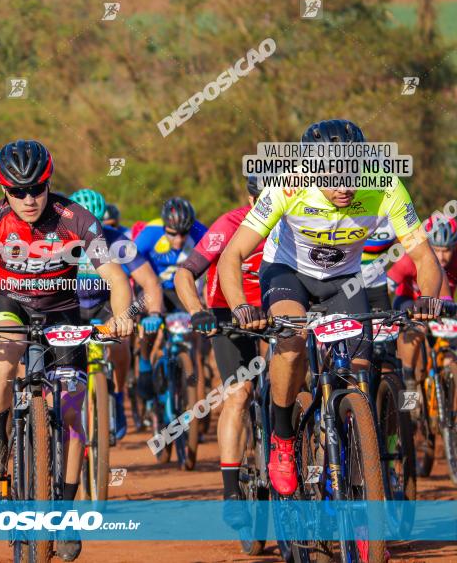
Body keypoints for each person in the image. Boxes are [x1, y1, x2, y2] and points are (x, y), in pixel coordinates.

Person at [0, 140, 134, 562]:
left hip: (63, 311)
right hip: (8, 303)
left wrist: (123, 315)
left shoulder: (75, 217)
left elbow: (114, 274)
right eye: (17, 191)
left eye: (36, 188)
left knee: (73, 408)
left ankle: (68, 511)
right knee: (8, 346)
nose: (28, 199)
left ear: (49, 182)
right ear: (3, 189)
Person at [218, 119, 445, 496]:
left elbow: (423, 256)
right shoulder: (287, 185)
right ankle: (283, 436)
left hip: (345, 280)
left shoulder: (385, 183)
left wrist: (427, 297)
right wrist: (242, 306)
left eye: (351, 173)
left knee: (358, 376)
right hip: (288, 272)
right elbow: (233, 255)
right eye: (332, 176)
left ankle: (359, 487)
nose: (343, 186)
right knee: (291, 343)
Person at [174, 177, 265, 521]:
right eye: (260, 199)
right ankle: (231, 491)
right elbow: (185, 273)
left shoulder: (296, 222)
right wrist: (198, 311)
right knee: (239, 393)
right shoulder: (230, 223)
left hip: (278, 309)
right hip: (228, 313)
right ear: (249, 197)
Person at [71, 188, 163, 440]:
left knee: (121, 346)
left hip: (106, 304)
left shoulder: (117, 241)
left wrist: (152, 312)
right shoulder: (57, 240)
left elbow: (150, 283)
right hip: (71, 306)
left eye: (95, 223)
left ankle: (119, 394)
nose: (89, 230)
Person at [133, 197, 208, 401]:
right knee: (151, 326)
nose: (179, 239)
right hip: (153, 288)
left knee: (195, 331)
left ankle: (190, 370)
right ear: (165, 226)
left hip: (181, 290)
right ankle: (145, 361)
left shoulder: (201, 232)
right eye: (173, 234)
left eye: (184, 233)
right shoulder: (150, 233)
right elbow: (128, 259)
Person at [388, 214, 457, 383]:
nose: (441, 257)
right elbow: (387, 284)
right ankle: (409, 379)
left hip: (442, 303)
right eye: (436, 249)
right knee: (417, 330)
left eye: (446, 250)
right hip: (408, 300)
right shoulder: (409, 260)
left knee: (452, 355)